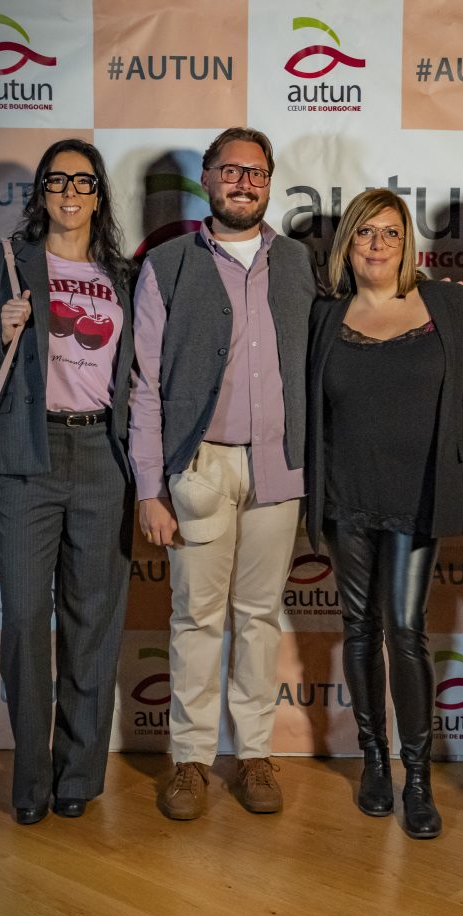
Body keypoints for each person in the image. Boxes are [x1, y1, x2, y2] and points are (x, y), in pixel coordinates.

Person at [130, 126, 317, 820]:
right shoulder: (168, 264)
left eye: (256, 172)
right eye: (231, 170)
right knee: (196, 619)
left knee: (260, 617)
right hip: (199, 466)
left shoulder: (298, 262)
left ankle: (256, 753)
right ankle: (190, 760)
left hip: (279, 469)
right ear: (207, 179)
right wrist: (150, 487)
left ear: (269, 183)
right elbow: (144, 384)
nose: (244, 182)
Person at [0, 139, 135, 825]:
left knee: (93, 624)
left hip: (102, 457)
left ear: (98, 195)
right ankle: (29, 782)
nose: (69, 193)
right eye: (57, 181)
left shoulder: (122, 274)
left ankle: (77, 777)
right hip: (26, 457)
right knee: (27, 620)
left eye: (82, 182)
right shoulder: (6, 260)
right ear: (42, 193)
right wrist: (0, 333)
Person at [306, 189, 463, 839]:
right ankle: (374, 760)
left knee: (404, 630)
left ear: (408, 244)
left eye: (391, 233)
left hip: (419, 494)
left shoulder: (450, 304)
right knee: (358, 628)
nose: (377, 245)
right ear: (347, 243)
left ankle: (418, 776)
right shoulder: (324, 315)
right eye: (365, 233)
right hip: (345, 492)